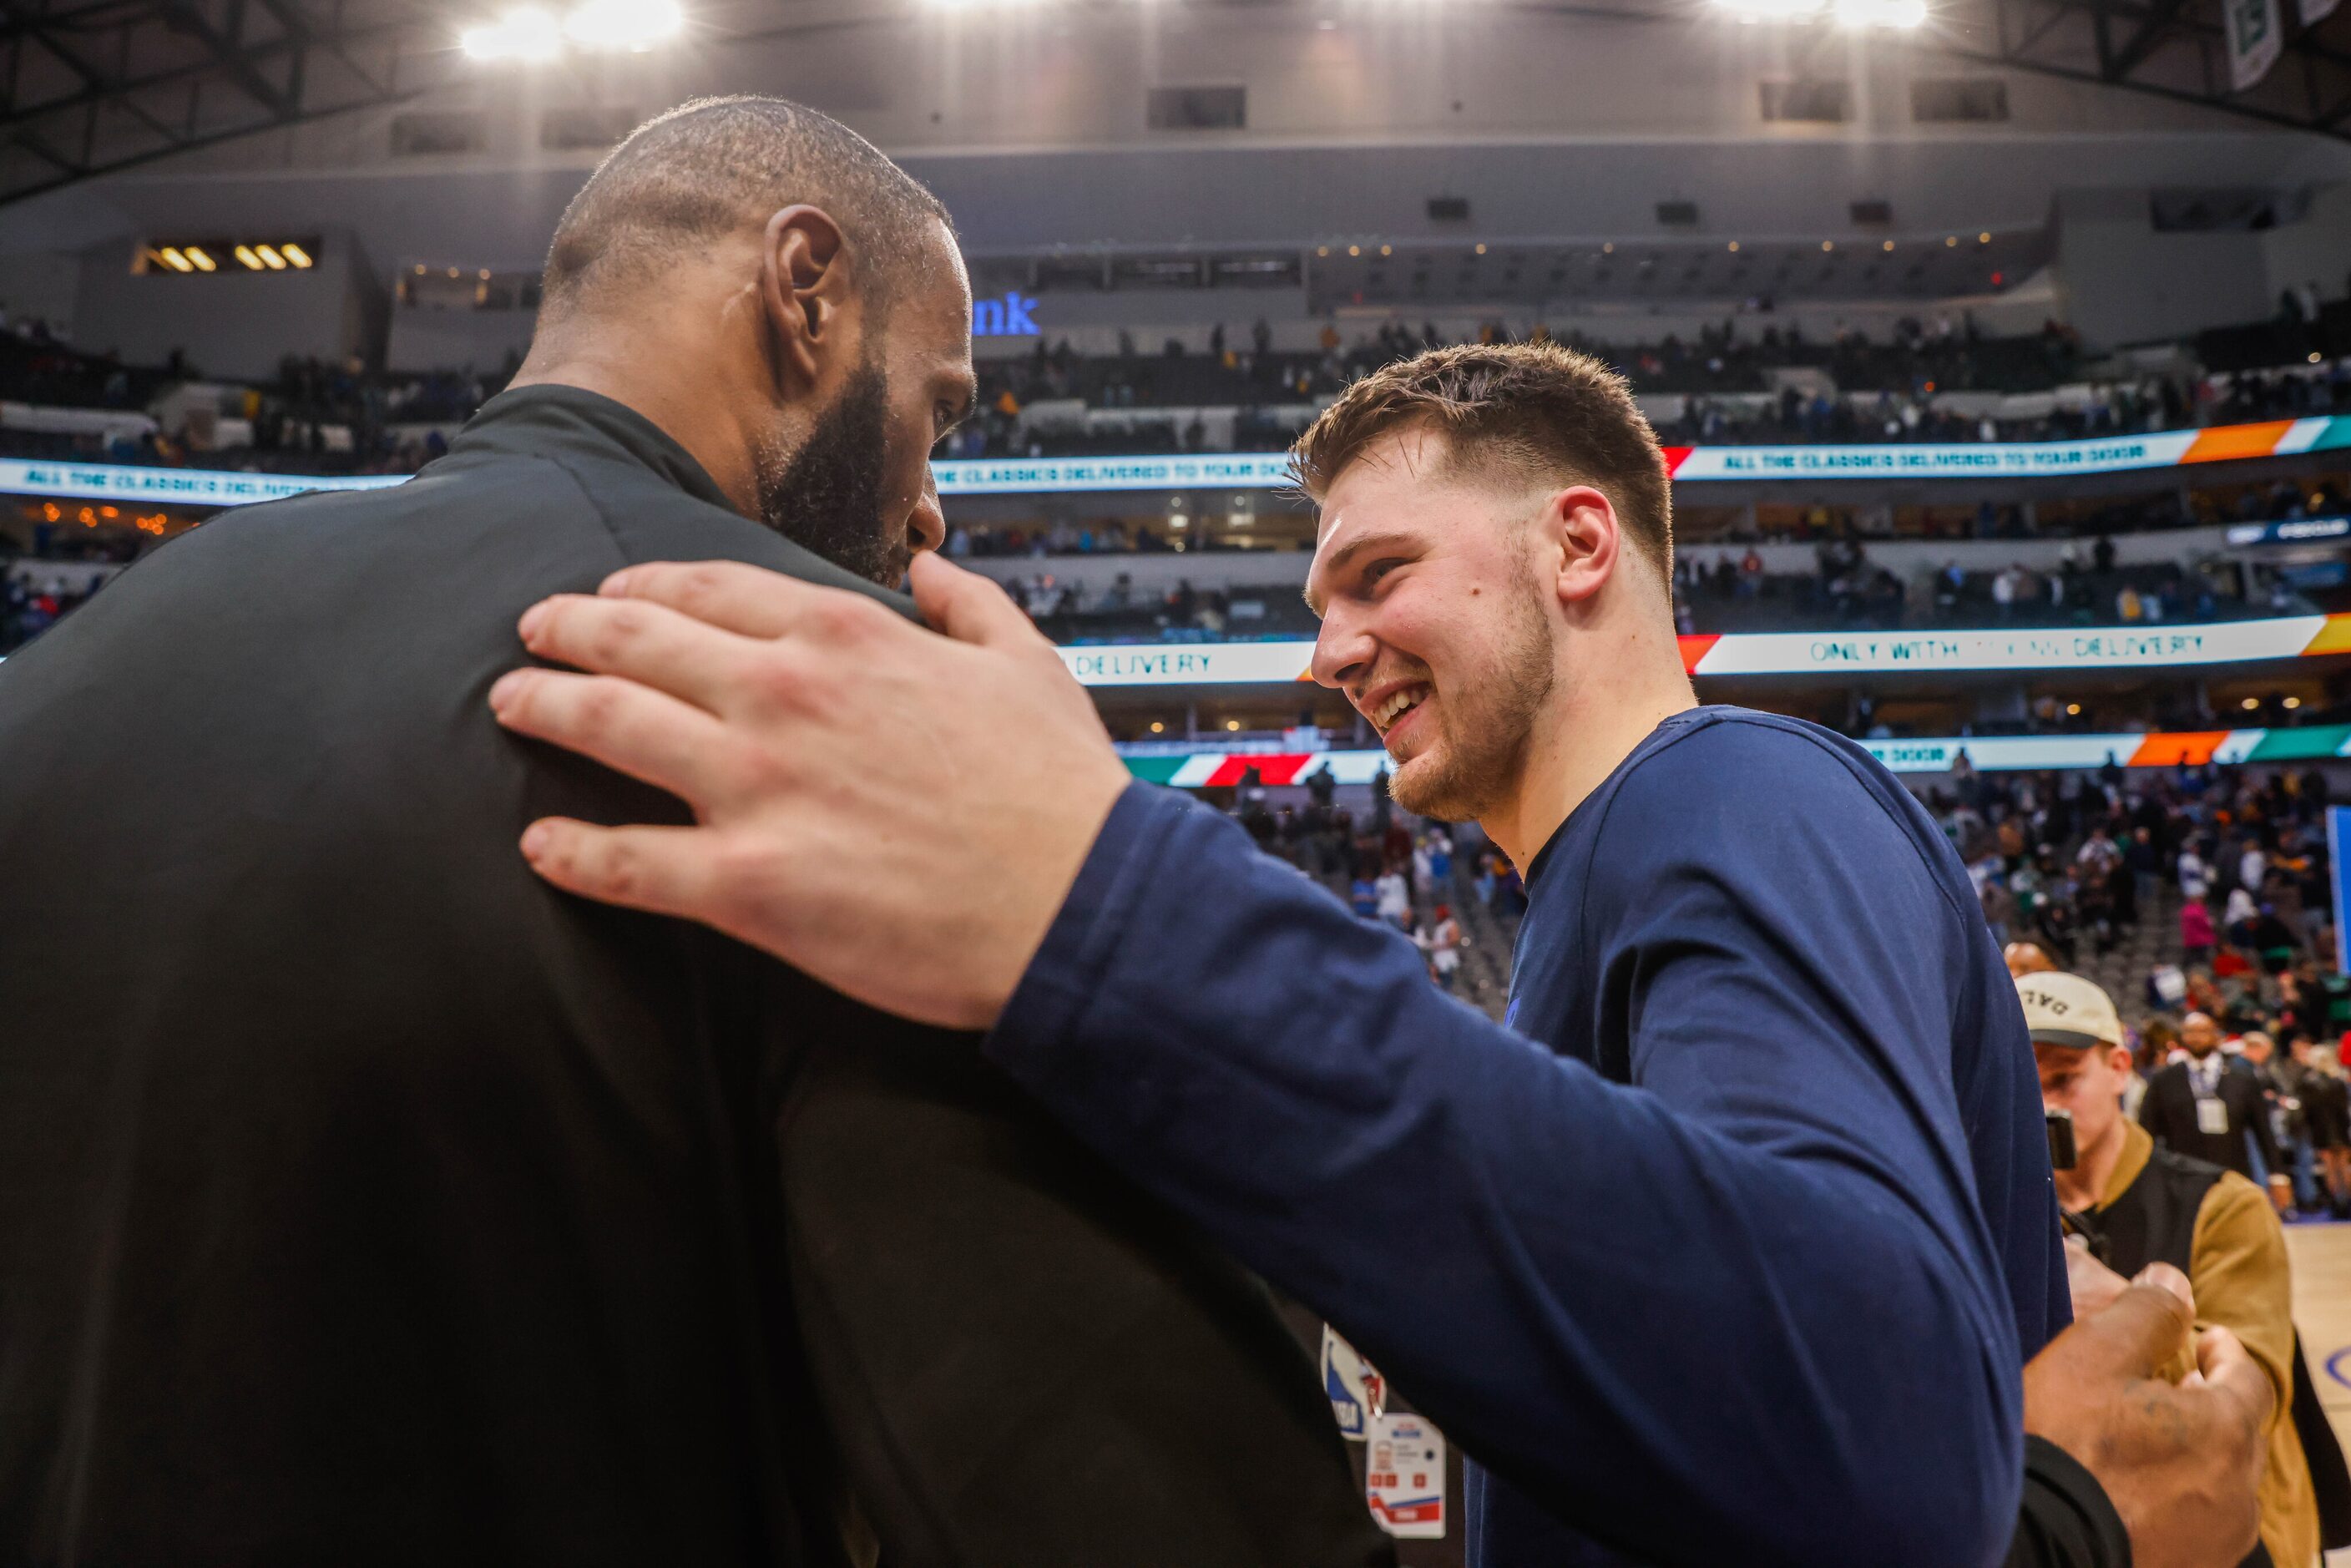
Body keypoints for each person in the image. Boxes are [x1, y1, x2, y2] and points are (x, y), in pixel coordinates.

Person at [0, 99, 1383, 1566]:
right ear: (806, 291)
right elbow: (1145, 1503)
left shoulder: (68, 672)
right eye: (942, 407)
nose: (925, 503)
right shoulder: (816, 690)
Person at [489, 341, 2067, 1565]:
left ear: (1579, 542)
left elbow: (1872, 1417)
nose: (1328, 650)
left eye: (1376, 574)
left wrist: (1101, 899)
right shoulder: (1617, 870)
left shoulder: (1729, 788)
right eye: (1323, 600)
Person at [2023, 973, 2332, 1568]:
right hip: (2073, 1530)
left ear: (2118, 1067)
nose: (2044, 1107)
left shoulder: (2225, 1204)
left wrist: (2112, 1310)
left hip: (2227, 1536)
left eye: (2063, 1079)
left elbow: (2251, 1390)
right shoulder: (2002, 1206)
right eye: (2022, 1086)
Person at [2140, 1012, 2296, 1211]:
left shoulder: (2243, 1078)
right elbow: (2146, 1131)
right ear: (2182, 1036)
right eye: (2190, 1032)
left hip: (2232, 1177)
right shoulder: (2164, 1080)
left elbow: (2263, 1131)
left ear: (2216, 1035)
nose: (2196, 1037)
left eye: (2203, 1031)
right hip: (2182, 1181)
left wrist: (2278, 1176)